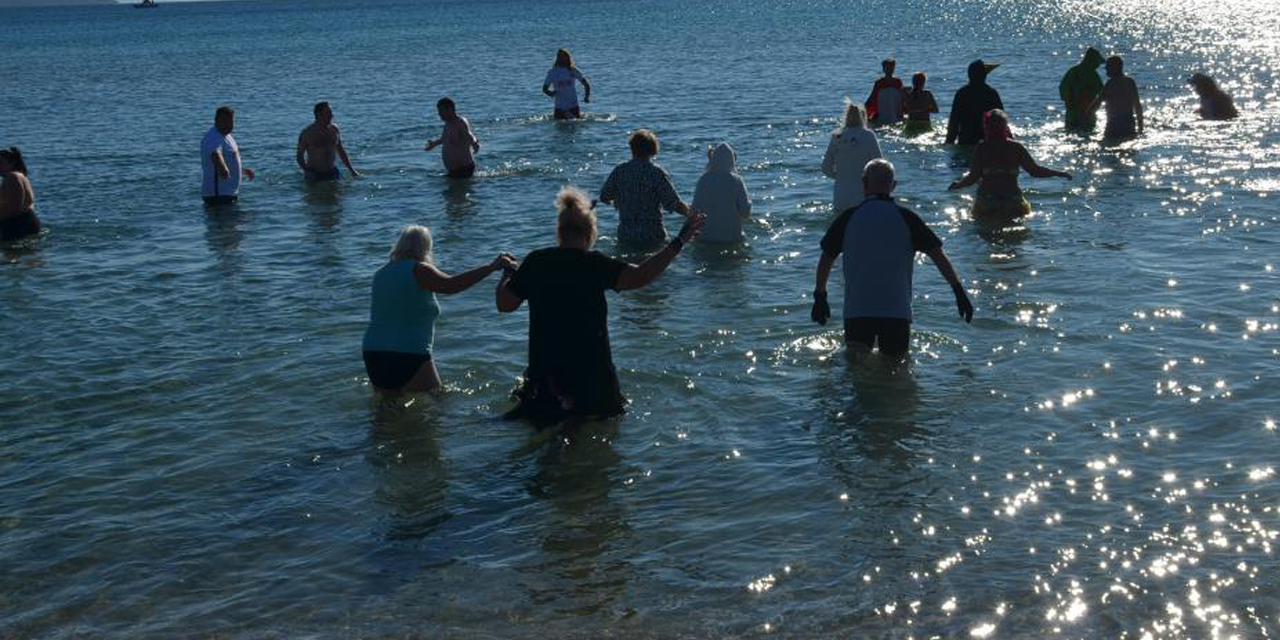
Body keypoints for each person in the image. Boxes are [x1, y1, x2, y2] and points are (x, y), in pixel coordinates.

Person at [495, 187, 705, 423]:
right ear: (589, 233)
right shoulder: (595, 264)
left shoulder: (536, 262)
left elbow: (504, 304)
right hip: (594, 386)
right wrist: (679, 240)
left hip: (546, 386)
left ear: (560, 232)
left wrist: (508, 273)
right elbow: (642, 275)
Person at [812, 159, 973, 356]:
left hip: (858, 310)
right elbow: (938, 256)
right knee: (896, 372)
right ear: (893, 186)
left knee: (856, 371)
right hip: (896, 311)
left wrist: (820, 295)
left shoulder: (848, 218)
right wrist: (958, 291)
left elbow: (826, 258)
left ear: (864, 183)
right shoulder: (907, 218)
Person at [362, 225, 515, 393]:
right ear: (425, 248)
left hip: (373, 353)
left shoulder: (381, 273)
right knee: (438, 403)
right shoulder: (419, 269)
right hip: (409, 352)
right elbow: (451, 286)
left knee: (386, 411)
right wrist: (491, 267)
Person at [947, 109, 1072, 219]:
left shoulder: (982, 148)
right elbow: (1035, 171)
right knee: (1012, 242)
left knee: (987, 238)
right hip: (1013, 202)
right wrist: (1059, 173)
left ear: (986, 127)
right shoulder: (1016, 147)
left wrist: (958, 185)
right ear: (1005, 127)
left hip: (987, 203)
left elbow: (973, 177)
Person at [598, 129, 694, 247]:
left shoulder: (620, 170)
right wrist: (690, 215)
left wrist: (621, 200)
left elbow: (604, 197)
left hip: (626, 236)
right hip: (652, 236)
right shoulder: (656, 172)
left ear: (632, 148)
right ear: (653, 149)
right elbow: (673, 203)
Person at [822, 102, 883, 216]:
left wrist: (841, 176)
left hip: (841, 196)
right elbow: (880, 165)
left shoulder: (837, 136)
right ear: (864, 118)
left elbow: (825, 168)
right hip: (863, 196)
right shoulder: (868, 135)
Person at [691, 142, 751, 244]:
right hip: (731, 238)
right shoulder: (736, 180)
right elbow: (745, 212)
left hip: (705, 239)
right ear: (732, 161)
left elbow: (694, 211)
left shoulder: (703, 180)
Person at [201, 105, 255, 205]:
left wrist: (242, 170)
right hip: (218, 196)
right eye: (224, 122)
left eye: (231, 122)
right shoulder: (213, 136)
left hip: (228, 194)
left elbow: (228, 158)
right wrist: (223, 169)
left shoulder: (227, 136)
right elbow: (216, 154)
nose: (228, 125)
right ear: (216, 120)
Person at [297, 101, 360, 182]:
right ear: (318, 115)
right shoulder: (307, 133)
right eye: (328, 113)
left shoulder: (334, 129)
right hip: (314, 174)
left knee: (339, 194)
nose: (332, 116)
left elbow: (341, 150)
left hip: (332, 171)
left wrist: (352, 170)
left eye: (331, 113)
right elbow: (299, 155)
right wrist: (306, 171)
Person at [946, 60, 1004, 145]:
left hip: (966, 139)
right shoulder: (991, 93)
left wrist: (949, 141)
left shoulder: (962, 93)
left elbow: (954, 119)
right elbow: (1001, 118)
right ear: (984, 76)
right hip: (987, 140)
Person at [424, 97, 481, 179]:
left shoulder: (460, 122)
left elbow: (469, 135)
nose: (439, 114)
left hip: (464, 169)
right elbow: (444, 139)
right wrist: (434, 144)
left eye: (441, 111)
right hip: (454, 171)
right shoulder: (447, 124)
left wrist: (475, 144)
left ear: (450, 109)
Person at [1089, 55, 1144, 140]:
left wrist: (1085, 117)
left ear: (1115, 67)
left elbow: (1096, 104)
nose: (1106, 68)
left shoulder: (1110, 84)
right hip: (1129, 125)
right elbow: (1137, 106)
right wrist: (1140, 127)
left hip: (1113, 126)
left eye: (1108, 66)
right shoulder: (1130, 82)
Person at [1059, 47, 1105, 131]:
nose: (1098, 65)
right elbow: (1103, 93)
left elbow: (1062, 89)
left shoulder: (1072, 71)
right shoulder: (1093, 75)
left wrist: (1069, 102)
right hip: (1087, 115)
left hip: (1071, 114)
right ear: (1092, 61)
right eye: (1097, 63)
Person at [0, 148, 39, 241]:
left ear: (12, 163)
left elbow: (14, 208)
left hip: (18, 224)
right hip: (24, 222)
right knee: (25, 254)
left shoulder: (13, 177)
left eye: (0, 163)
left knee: (14, 254)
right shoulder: (19, 176)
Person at [543, 48, 591, 120]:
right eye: (560, 56)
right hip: (559, 107)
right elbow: (544, 88)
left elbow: (586, 84)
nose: (562, 59)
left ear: (567, 58)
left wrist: (587, 96)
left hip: (573, 105)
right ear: (557, 58)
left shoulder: (573, 70)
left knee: (574, 128)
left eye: (564, 56)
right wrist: (551, 93)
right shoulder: (552, 72)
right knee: (559, 129)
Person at [865, 58, 904, 125]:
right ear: (883, 69)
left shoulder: (898, 82)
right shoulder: (879, 83)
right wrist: (864, 109)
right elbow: (872, 97)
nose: (890, 69)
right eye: (887, 67)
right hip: (882, 111)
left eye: (891, 67)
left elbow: (902, 98)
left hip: (894, 111)